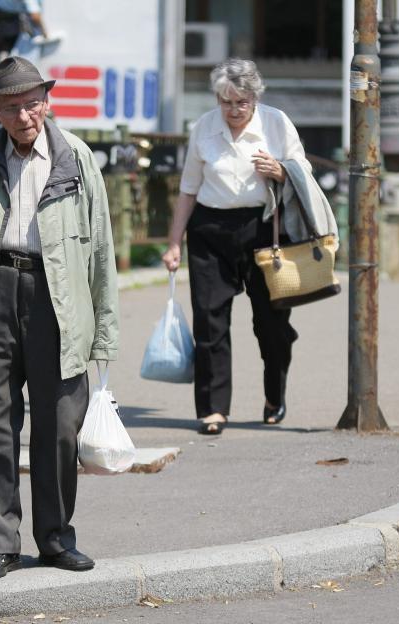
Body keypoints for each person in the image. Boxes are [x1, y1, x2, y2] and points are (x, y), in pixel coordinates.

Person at [0, 56, 118, 581]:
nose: (25, 115)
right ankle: (1, 543)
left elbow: (101, 246)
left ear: (47, 102)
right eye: (12, 107)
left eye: (33, 103)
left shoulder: (75, 158)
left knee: (59, 425)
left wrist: (104, 329)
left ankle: (55, 539)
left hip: (58, 299)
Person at [162, 58, 321, 435]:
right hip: (210, 229)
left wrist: (280, 170)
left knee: (271, 325)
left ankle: (274, 394)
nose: (233, 110)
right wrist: (173, 244)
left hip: (264, 228)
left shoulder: (276, 123)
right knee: (210, 320)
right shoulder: (204, 127)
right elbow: (188, 190)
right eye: (226, 102)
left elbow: (304, 172)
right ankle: (213, 408)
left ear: (255, 98)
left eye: (241, 102)